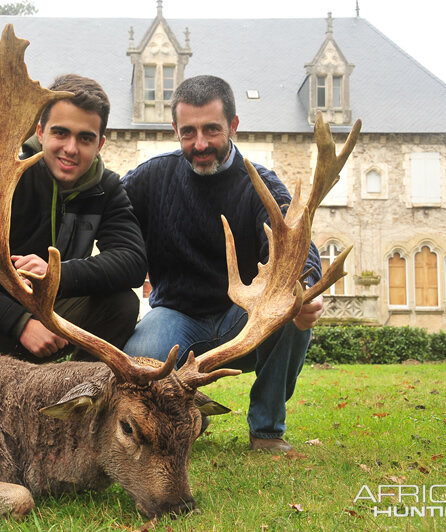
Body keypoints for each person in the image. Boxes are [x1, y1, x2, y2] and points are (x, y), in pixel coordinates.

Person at [122, 75, 324, 452]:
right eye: (189, 132)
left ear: (233, 125)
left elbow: (299, 242)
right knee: (137, 364)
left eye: (212, 130)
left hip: (244, 318)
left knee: (292, 309)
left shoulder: (259, 184)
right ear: (174, 129)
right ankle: (187, 410)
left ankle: (266, 431)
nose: (200, 144)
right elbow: (108, 210)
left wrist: (305, 291)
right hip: (176, 316)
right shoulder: (151, 178)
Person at [0, 74, 147, 361]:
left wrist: (57, 273)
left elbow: (132, 261)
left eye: (85, 138)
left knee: (122, 304)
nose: (71, 149)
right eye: (60, 133)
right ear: (40, 133)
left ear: (100, 144)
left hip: (51, 315)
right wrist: (20, 323)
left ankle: (76, 398)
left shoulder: (108, 189)